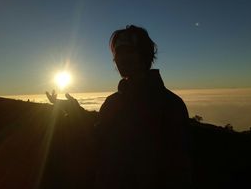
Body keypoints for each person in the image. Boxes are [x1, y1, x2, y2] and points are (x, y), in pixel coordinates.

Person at [47, 25, 192, 188]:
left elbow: (179, 168)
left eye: (128, 51)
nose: (121, 58)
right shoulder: (112, 102)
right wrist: (76, 112)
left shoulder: (169, 105)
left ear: (144, 54)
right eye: (118, 52)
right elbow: (97, 141)